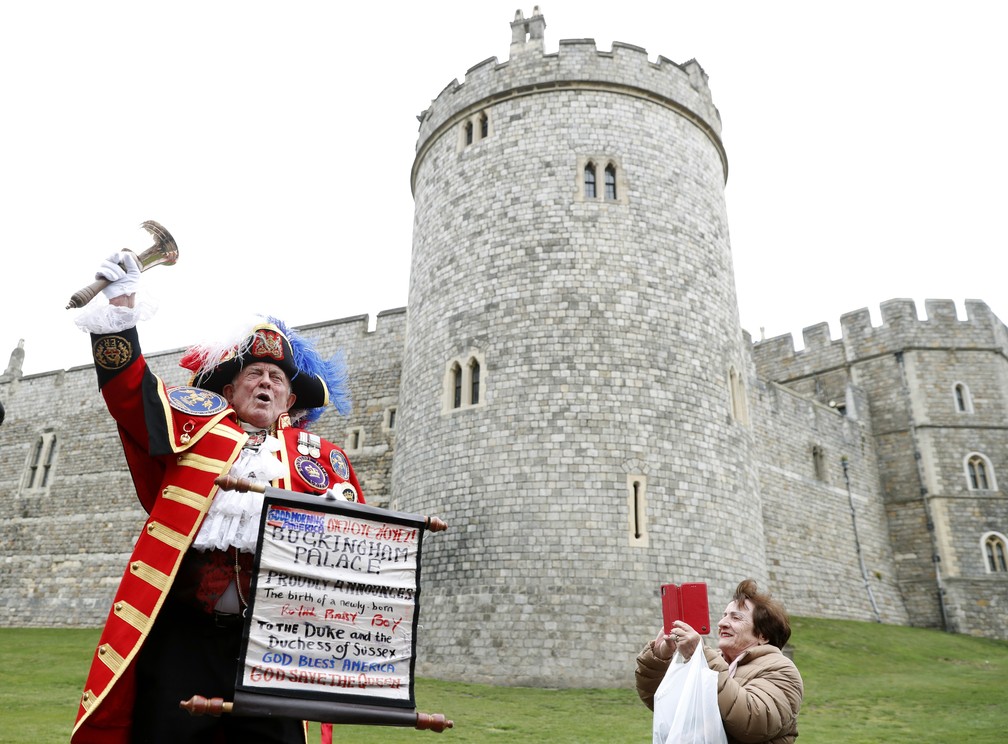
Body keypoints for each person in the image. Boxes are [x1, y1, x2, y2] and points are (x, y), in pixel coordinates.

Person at [71, 252, 364, 744]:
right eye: (254, 374)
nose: (266, 381)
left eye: (277, 378)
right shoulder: (197, 431)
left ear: (291, 402)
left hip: (274, 648)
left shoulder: (323, 460)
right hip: (186, 636)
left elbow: (356, 554)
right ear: (228, 390)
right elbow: (130, 394)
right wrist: (120, 312)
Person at [636, 579, 803, 744]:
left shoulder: (782, 669)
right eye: (724, 616)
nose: (722, 623)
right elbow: (660, 701)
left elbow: (754, 722)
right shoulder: (712, 660)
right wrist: (659, 657)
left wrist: (703, 658)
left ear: (763, 635)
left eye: (735, 618)